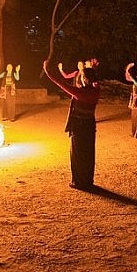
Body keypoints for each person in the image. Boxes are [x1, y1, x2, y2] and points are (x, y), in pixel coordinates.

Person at [43, 60, 101, 190]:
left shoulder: (81, 93)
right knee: (88, 154)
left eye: (83, 76)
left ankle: (80, 182)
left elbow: (61, 84)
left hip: (80, 126)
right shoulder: (96, 90)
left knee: (78, 154)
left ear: (85, 79)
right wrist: (93, 69)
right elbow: (95, 80)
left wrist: (48, 72)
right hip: (90, 126)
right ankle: (87, 180)